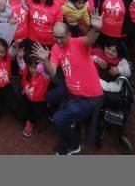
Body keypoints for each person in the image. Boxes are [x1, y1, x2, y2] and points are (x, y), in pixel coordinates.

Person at [34, 10, 104, 155]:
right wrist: (45, 60)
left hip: (89, 98)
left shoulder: (78, 43)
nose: (58, 41)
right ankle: (70, 119)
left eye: (62, 38)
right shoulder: (55, 48)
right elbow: (52, 72)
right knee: (50, 97)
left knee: (59, 118)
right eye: (55, 37)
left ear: (69, 35)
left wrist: (96, 28)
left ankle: (73, 145)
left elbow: (90, 39)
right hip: (71, 91)